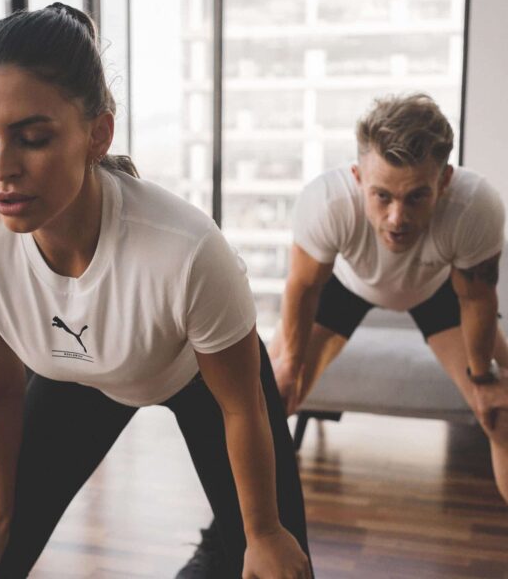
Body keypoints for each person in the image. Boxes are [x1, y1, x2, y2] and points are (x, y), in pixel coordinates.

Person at [0, 3, 313, 579]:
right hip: (75, 380)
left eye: (31, 137)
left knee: (272, 562)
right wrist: (1, 510)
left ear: (97, 134)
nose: (0, 168)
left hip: (198, 379)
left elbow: (242, 405)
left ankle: (224, 542)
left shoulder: (184, 249)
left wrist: (262, 532)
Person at [183, 92, 508, 573]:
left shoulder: (475, 205)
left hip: (438, 290)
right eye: (383, 196)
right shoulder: (328, 202)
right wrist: (290, 362)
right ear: (358, 179)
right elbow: (303, 286)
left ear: (444, 180)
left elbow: (478, 299)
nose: (397, 218)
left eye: (417, 195)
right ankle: (221, 544)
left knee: (499, 413)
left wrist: (483, 380)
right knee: (268, 402)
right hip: (345, 289)